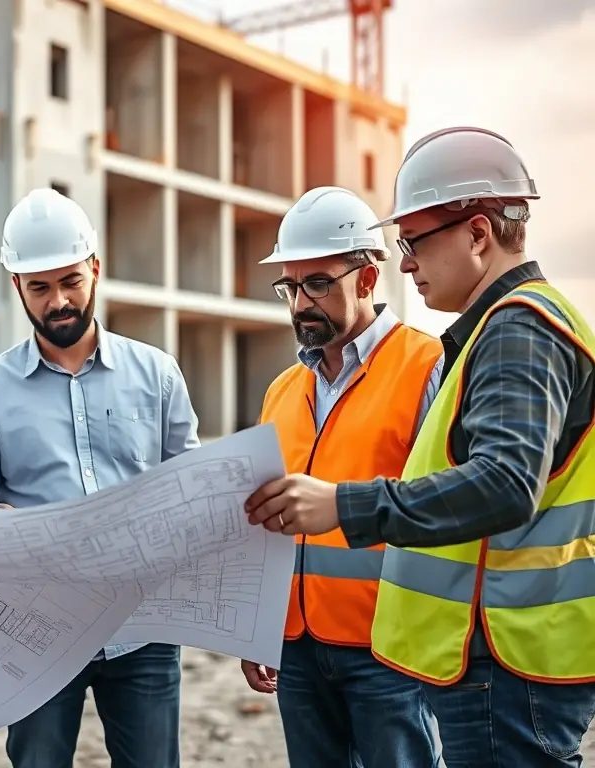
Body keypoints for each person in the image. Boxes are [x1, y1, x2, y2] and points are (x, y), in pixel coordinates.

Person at [245, 126, 595, 767]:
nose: (408, 262)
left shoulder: (515, 331)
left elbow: (504, 484)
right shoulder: (499, 332)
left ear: (479, 233)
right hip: (473, 646)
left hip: (499, 647)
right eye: (289, 287)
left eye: (414, 243)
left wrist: (343, 507)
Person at [0, 187, 200, 768]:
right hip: (36, 630)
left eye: (70, 281)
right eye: (39, 288)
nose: (58, 300)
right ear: (17, 286)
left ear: (95, 267)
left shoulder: (157, 373)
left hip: (143, 624)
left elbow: (192, 483)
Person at [241, 186, 443, 767]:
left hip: (391, 648)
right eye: (290, 286)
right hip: (298, 647)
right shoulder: (282, 391)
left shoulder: (427, 367)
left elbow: (447, 504)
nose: (301, 302)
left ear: (367, 278)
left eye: (318, 284)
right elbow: (265, 522)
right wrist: (259, 628)